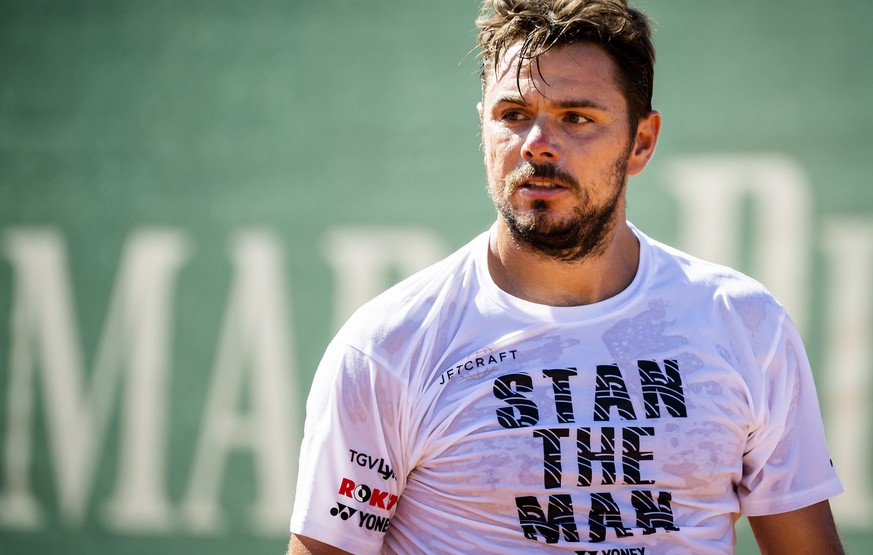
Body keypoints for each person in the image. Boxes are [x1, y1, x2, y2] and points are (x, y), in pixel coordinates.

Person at [287, 0, 845, 553]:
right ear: (483, 127)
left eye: (577, 118)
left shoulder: (743, 323)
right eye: (512, 115)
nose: (536, 144)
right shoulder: (389, 347)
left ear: (641, 143)